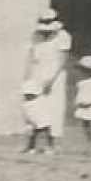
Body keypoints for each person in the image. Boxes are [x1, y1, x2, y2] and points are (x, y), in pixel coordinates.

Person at [21, 16, 67, 153]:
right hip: (38, 73)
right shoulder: (36, 37)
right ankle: (31, 144)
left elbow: (62, 60)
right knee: (34, 109)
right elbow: (30, 57)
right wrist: (27, 78)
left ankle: (50, 145)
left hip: (55, 76)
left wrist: (51, 80)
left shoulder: (63, 36)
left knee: (53, 109)